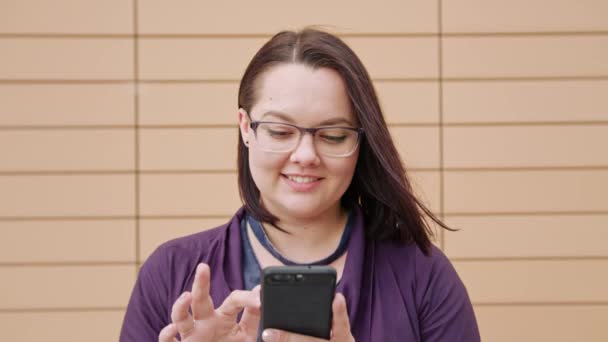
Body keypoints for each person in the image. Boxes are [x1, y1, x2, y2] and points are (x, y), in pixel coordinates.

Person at [120, 28, 480, 342]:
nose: (306, 155)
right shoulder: (169, 273)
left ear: (361, 142)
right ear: (246, 127)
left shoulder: (422, 276)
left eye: (334, 135)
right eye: (280, 131)